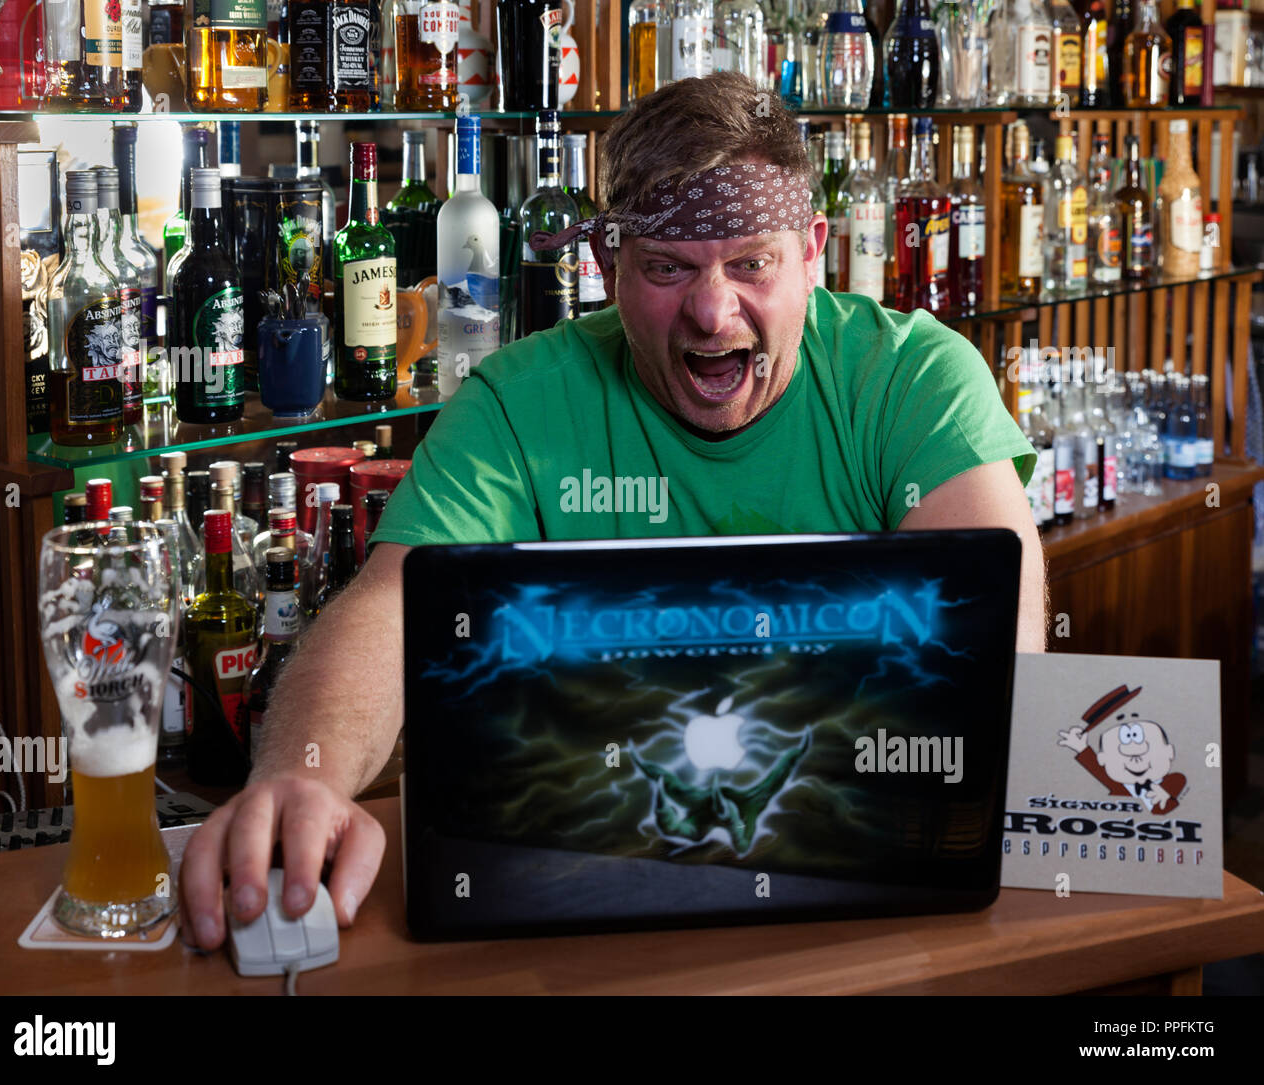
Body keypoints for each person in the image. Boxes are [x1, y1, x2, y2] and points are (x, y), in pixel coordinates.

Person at [180, 72, 1045, 950]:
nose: (713, 313)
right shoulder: (517, 401)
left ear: (814, 250)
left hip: (866, 908)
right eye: (668, 268)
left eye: (752, 263)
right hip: (572, 901)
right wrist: (306, 777)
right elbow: (392, 608)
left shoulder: (910, 379)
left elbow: (996, 651)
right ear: (606, 267)